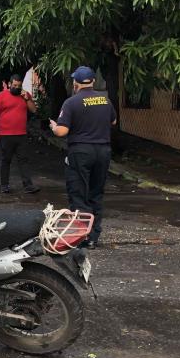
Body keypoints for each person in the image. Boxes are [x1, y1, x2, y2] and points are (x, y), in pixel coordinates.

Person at [50, 66, 116, 249]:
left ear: (76, 83)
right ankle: (94, 237)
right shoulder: (105, 101)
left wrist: (54, 127)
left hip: (81, 151)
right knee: (96, 193)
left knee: (79, 193)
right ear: (93, 82)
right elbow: (113, 121)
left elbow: (62, 131)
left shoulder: (71, 102)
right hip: (103, 151)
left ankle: (81, 237)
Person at [0, 74, 40, 194]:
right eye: (14, 85)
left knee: (23, 160)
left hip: (21, 134)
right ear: (9, 84)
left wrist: (27, 99)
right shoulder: (1, 95)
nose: (16, 88)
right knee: (6, 160)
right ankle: (4, 185)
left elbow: (33, 110)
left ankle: (28, 185)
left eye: (19, 86)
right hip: (5, 134)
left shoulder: (25, 95)